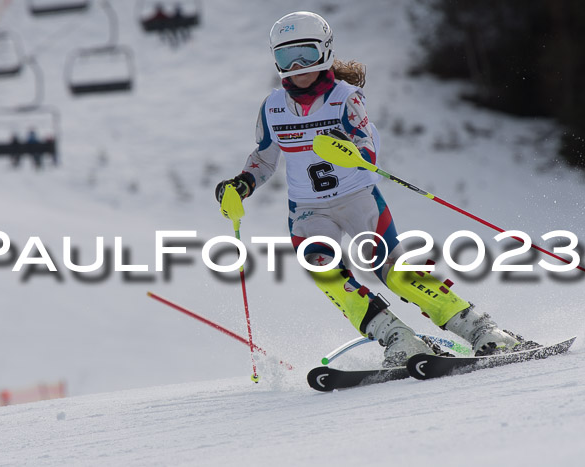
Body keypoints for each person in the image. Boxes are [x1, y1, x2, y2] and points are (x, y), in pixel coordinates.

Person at [215, 11, 536, 367]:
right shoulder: (273, 108)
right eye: (286, 57)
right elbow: (263, 160)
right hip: (308, 211)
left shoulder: (344, 97)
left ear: (324, 51)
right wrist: (241, 185)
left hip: (358, 199)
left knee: (393, 271)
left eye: (306, 53)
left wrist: (350, 150)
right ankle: (399, 339)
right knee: (324, 270)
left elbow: (368, 147)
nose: (298, 66)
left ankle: (482, 331)